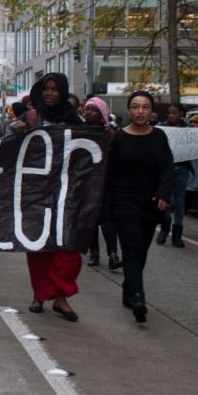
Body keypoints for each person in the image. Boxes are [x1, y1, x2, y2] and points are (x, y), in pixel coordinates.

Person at [10, 73, 83, 322]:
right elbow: (12, 148)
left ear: (62, 92)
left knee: (67, 245)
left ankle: (61, 297)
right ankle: (39, 295)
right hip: (36, 190)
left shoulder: (75, 120)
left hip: (65, 191)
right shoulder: (30, 118)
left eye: (55, 89)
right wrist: (16, 132)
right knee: (38, 244)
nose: (50, 93)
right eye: (46, 89)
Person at [106, 91, 174, 323]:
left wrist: (164, 194)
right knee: (133, 247)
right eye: (136, 107)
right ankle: (138, 297)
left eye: (145, 107)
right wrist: (106, 205)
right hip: (125, 202)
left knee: (141, 249)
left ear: (151, 111)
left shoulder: (159, 137)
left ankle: (128, 287)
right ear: (129, 110)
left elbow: (168, 168)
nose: (141, 111)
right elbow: (109, 173)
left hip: (151, 202)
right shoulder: (119, 138)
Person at [81, 97, 120, 269]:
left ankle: (113, 254)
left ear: (102, 114)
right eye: (87, 109)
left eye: (94, 110)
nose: (89, 112)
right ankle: (94, 252)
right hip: (86, 182)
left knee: (108, 220)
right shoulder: (79, 132)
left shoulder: (111, 134)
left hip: (106, 183)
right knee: (91, 219)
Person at [155, 103, 189, 248]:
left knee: (179, 202)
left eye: (174, 113)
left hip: (182, 168)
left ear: (181, 113)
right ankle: (164, 229)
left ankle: (177, 234)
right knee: (165, 200)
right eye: (169, 113)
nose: (171, 115)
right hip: (166, 169)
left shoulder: (189, 130)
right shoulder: (162, 128)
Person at [185, 115, 198, 239]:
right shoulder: (186, 139)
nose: (193, 125)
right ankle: (173, 226)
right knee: (183, 206)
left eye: (196, 122)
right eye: (191, 122)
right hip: (188, 179)